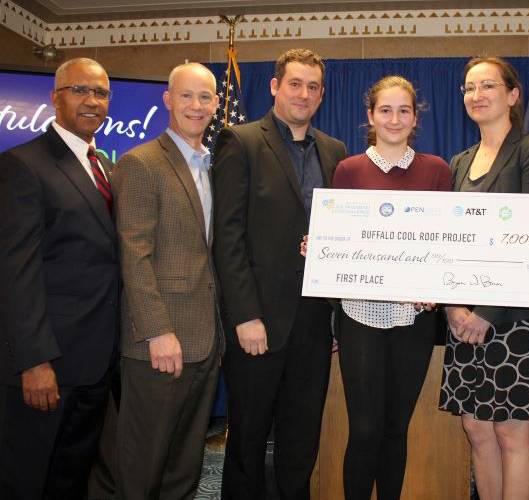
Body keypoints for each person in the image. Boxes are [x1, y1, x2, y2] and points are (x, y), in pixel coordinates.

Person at [212, 48, 347, 499]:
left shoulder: (335, 151)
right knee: (248, 439)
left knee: (301, 439)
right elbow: (227, 237)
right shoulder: (241, 141)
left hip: (313, 323)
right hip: (258, 321)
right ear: (274, 86)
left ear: (322, 94)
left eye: (313, 86)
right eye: (295, 83)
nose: (303, 94)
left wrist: (332, 316)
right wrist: (244, 316)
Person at [438, 57, 529, 500]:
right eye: (469, 87)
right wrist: (454, 307)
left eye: (488, 85)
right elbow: (448, 240)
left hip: (514, 316)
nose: (477, 94)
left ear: (512, 94)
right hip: (463, 316)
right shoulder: (458, 161)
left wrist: (486, 313)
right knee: (476, 430)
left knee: (511, 434)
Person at [0, 57, 119, 498]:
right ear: (55, 98)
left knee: (70, 480)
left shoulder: (103, 165)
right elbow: (16, 272)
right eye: (80, 90)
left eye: (101, 93)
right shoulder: (23, 165)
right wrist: (34, 362)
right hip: (47, 367)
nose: (92, 101)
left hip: (94, 362)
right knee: (28, 481)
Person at [329, 75, 451, 500]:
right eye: (385, 110)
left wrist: (436, 283)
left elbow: (445, 242)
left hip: (414, 317)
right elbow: (339, 237)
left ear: (415, 117)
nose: (394, 118)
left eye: (403, 110)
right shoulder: (348, 170)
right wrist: (322, 246)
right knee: (364, 428)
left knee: (396, 427)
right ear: (370, 116)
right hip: (360, 313)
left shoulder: (437, 170)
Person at [112, 62, 222, 499]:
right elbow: (134, 256)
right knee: (143, 467)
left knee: (184, 465)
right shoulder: (142, 163)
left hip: (203, 340)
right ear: (168, 99)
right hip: (159, 345)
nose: (196, 106)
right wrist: (158, 330)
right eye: (187, 95)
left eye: (205, 97)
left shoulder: (210, 166)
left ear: (216, 104)